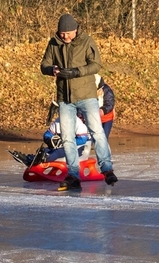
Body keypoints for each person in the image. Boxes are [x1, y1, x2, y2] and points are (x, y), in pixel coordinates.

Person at [40, 13, 117, 190]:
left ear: (75, 30)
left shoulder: (86, 41)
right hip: (65, 99)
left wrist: (76, 72)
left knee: (97, 132)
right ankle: (73, 174)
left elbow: (96, 65)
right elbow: (44, 65)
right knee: (67, 137)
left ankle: (107, 169)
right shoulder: (54, 44)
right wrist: (51, 69)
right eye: (61, 33)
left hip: (87, 96)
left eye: (67, 33)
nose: (64, 36)